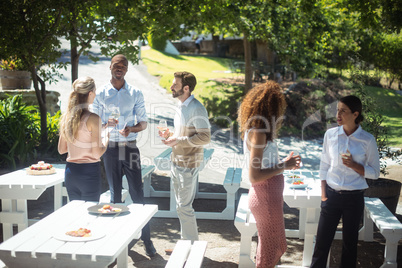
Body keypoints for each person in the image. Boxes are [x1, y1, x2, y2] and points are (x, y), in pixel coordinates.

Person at [91, 54, 156, 257]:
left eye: (124, 66)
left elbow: (143, 122)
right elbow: (94, 124)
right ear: (110, 67)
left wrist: (132, 129)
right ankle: (116, 241)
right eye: (117, 65)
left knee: (138, 194)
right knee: (115, 195)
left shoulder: (135, 92)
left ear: (127, 70)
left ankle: (146, 239)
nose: (120, 69)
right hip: (109, 149)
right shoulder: (101, 93)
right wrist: (105, 125)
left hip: (130, 148)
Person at [310, 95, 380, 268]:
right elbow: (324, 165)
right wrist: (324, 195)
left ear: (355, 114)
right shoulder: (330, 135)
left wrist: (354, 165)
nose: (338, 115)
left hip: (354, 199)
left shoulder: (367, 140)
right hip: (331, 196)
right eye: (337, 110)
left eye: (343, 111)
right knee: (321, 243)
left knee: (349, 246)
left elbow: (375, 173)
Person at [238, 81, 301, 268]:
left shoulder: (259, 131)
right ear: (271, 108)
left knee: (273, 248)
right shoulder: (258, 132)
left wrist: (283, 162)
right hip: (264, 197)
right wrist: (284, 165)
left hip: (269, 197)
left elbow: (264, 162)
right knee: (269, 252)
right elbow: (254, 176)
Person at [159, 71, 211, 243]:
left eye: (175, 84)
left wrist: (178, 139)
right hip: (177, 161)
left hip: (188, 164)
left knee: (184, 207)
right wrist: (171, 135)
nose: (171, 87)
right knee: (181, 207)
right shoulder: (181, 106)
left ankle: (191, 246)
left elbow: (205, 137)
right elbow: (185, 133)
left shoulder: (196, 108)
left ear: (186, 88)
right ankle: (186, 243)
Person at [58, 76, 108, 202]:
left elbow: (61, 149)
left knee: (75, 215)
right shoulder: (93, 118)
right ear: (90, 93)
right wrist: (106, 137)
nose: (95, 95)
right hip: (88, 173)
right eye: (95, 92)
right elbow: (97, 153)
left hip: (70, 172)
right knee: (89, 216)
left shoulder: (67, 117)